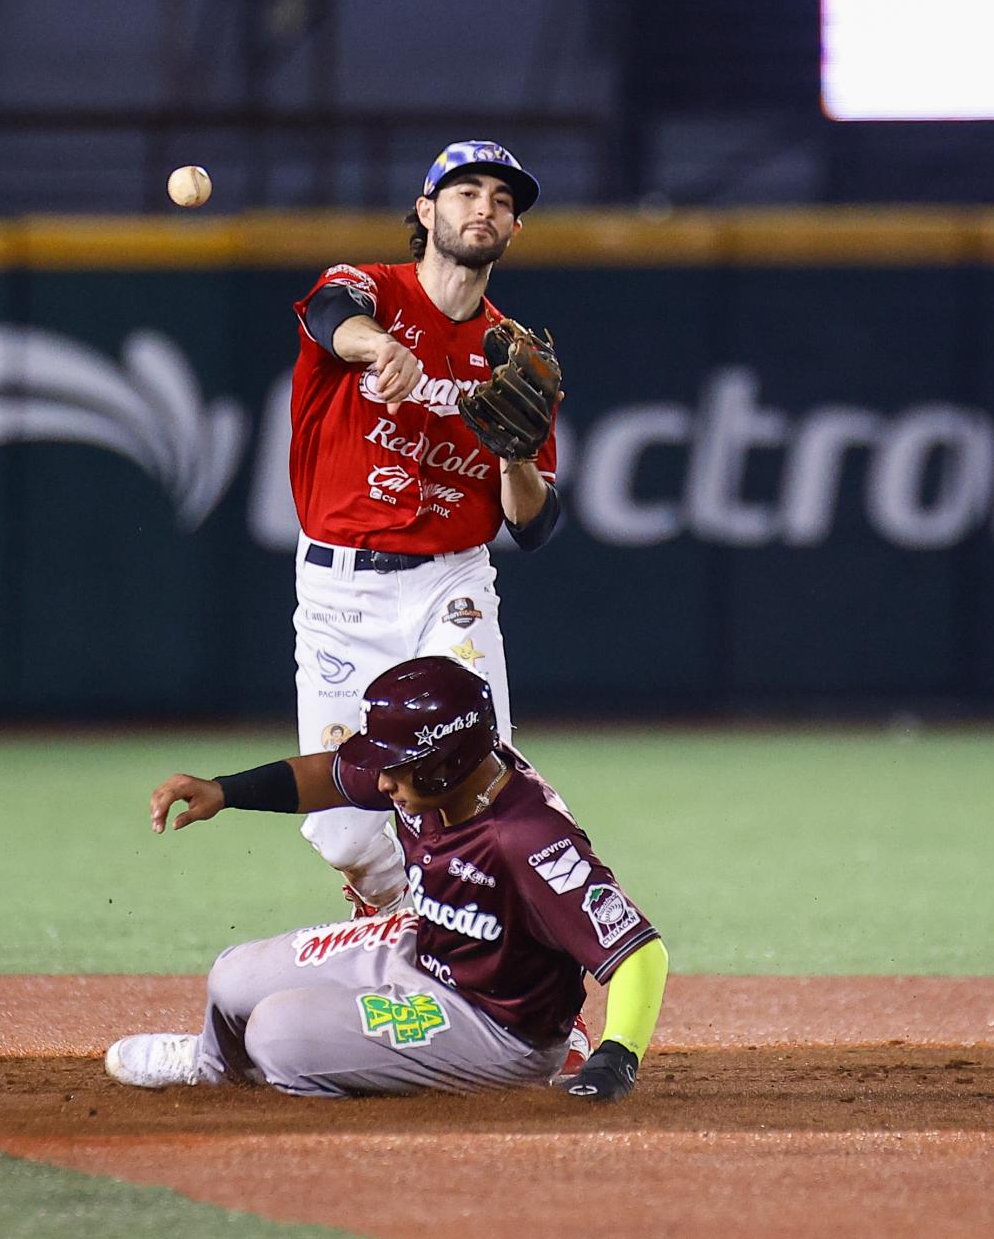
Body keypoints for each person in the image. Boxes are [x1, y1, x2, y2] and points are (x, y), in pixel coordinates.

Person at [106, 657, 666, 1101]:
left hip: (496, 1029)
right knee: (231, 976)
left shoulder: (527, 836)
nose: (382, 776)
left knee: (279, 1035)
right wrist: (226, 791)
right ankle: (213, 1069)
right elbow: (328, 776)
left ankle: (336, 1107)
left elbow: (639, 952)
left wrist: (617, 1055)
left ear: (444, 762)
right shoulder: (435, 776)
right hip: (423, 951)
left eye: (393, 763)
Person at [287, 140, 564, 919]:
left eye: (503, 202)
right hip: (342, 585)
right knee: (344, 829)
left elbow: (536, 526)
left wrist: (515, 458)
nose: (485, 208)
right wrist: (381, 345)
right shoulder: (369, 290)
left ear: (512, 231)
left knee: (478, 781)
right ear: (426, 209)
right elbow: (330, 316)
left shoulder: (512, 353)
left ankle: (525, 976)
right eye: (467, 191)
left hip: (453, 581)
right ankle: (412, 924)